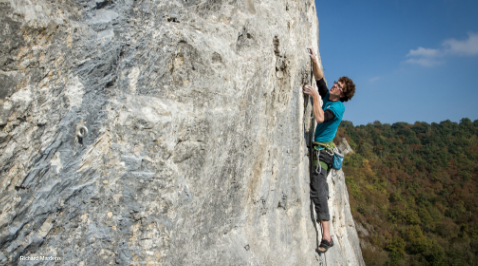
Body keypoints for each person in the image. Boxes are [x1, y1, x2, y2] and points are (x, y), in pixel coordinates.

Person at [303, 48, 356, 254]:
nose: (335, 85)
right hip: (323, 150)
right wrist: (315, 60)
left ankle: (327, 235)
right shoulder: (329, 95)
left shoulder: (337, 108)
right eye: (337, 83)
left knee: (317, 190)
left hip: (323, 153)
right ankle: (326, 227)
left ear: (342, 94)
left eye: (339, 86)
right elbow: (320, 79)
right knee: (322, 190)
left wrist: (316, 96)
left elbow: (320, 118)